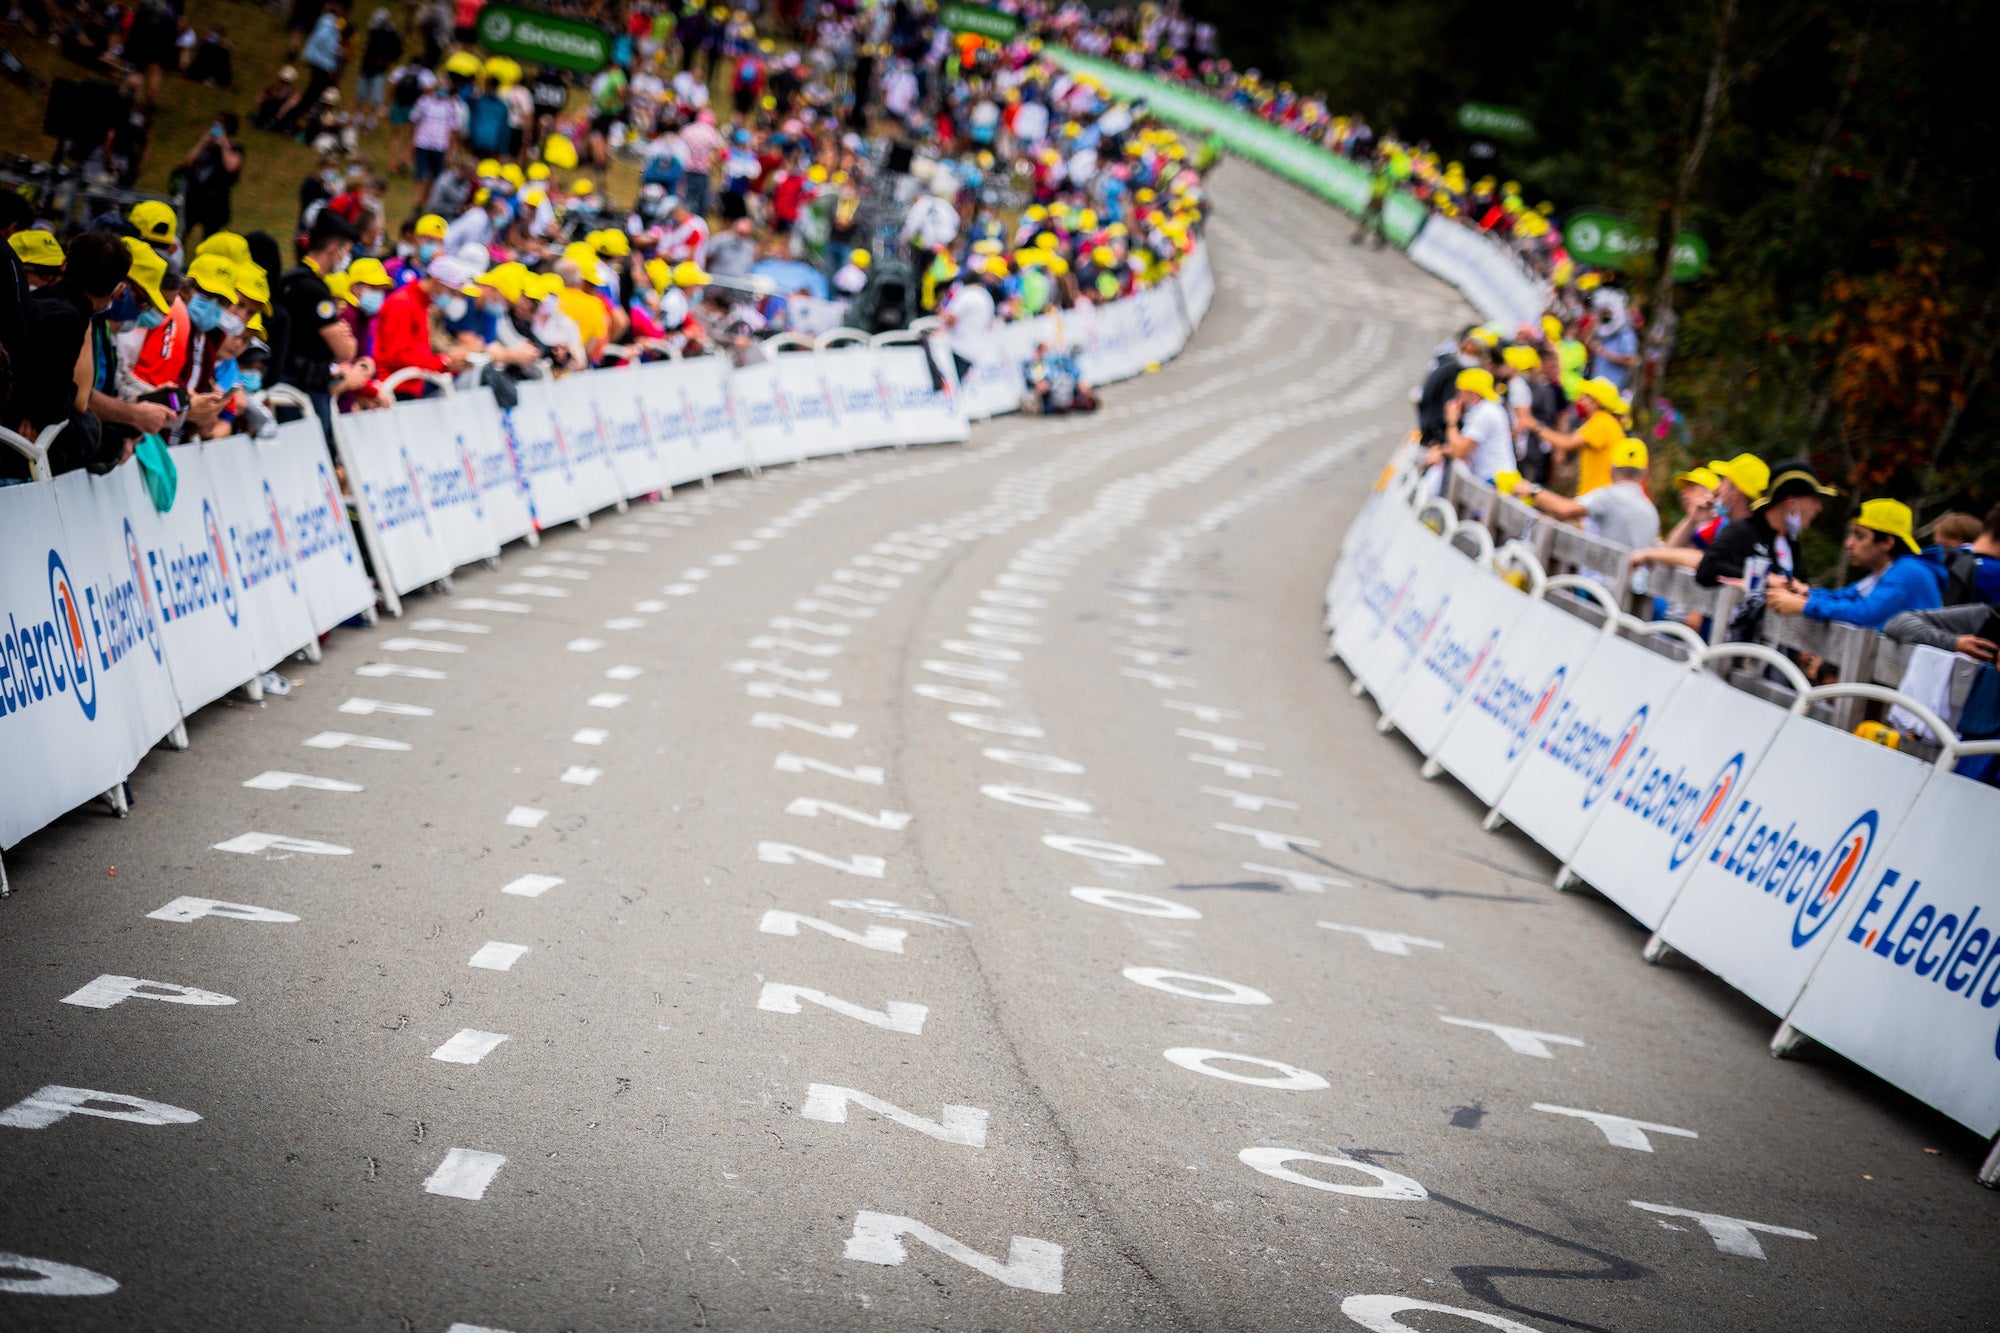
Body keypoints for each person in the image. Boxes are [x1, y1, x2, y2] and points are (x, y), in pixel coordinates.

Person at [1764, 499, 1944, 630]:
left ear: (1887, 542)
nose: (1848, 543)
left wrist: (1803, 606)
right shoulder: (1887, 571)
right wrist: (1806, 592)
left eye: (1859, 536)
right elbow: (1847, 597)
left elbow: (1864, 613)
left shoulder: (1908, 572)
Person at [276, 211, 361, 437]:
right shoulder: (313, 289)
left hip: (289, 384)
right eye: (347, 252)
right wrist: (347, 338)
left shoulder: (290, 279)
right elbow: (345, 350)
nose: (346, 258)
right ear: (335, 248)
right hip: (307, 388)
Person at [1696, 458, 1835, 588]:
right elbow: (1707, 569)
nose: (1818, 508)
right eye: (1814, 501)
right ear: (1791, 503)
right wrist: (1764, 578)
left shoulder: (1791, 543)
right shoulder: (1743, 531)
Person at [1509, 437, 1660, 549]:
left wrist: (1532, 490)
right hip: (1627, 589)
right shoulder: (1651, 511)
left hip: (1594, 585)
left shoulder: (1608, 496)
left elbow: (1565, 510)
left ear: (1611, 468)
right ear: (1645, 473)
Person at [374, 254, 473, 394]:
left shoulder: (420, 304)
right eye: (451, 292)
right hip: (396, 389)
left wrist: (446, 362)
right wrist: (444, 362)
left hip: (410, 386)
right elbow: (397, 356)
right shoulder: (403, 304)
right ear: (437, 282)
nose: (452, 297)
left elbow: (416, 351)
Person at [1531, 376, 1627, 495]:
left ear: (1595, 402)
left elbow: (1566, 443)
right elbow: (1569, 439)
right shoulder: (1598, 421)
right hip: (1597, 493)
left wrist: (1535, 426)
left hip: (1598, 494)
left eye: (1585, 396)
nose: (1580, 400)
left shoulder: (1602, 423)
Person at [1434, 366, 1512, 484]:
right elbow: (1461, 445)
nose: (1457, 398)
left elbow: (1459, 451)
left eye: (1460, 392)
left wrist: (1451, 421)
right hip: (1491, 478)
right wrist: (1441, 450)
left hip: (1495, 480)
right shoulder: (1483, 410)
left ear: (1473, 393)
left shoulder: (1485, 412)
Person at [181, 113, 245, 246]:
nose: (215, 127)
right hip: (194, 196)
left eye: (220, 125)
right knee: (182, 231)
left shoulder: (235, 148)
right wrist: (202, 143)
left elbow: (231, 167)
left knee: (209, 239)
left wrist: (224, 145)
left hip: (215, 202)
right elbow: (188, 162)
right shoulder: (207, 146)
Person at [410, 80, 467, 183]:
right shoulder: (424, 101)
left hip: (441, 145)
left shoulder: (452, 106)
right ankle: (418, 198)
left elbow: (454, 130)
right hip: (423, 143)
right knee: (420, 175)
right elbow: (414, 121)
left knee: (437, 177)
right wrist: (411, 143)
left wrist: (452, 150)